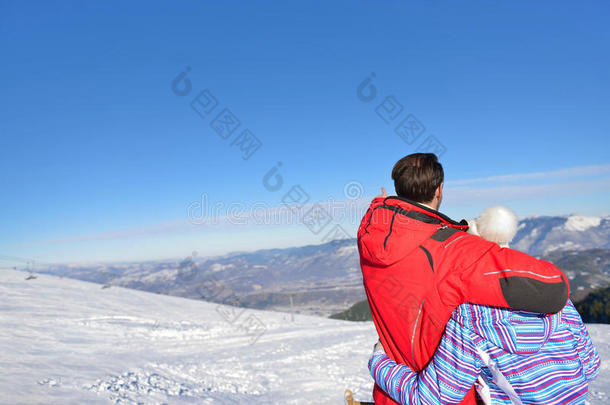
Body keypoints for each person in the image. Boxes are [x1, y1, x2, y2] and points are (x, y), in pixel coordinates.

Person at [358, 153, 570, 405]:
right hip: (450, 396)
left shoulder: (370, 236)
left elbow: (399, 231)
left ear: (397, 190)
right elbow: (554, 287)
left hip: (391, 392)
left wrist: (386, 206)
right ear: (440, 189)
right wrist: (481, 247)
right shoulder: (456, 252)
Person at [368, 206, 601, 404]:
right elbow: (590, 366)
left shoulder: (470, 319)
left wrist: (378, 361)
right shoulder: (557, 298)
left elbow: (432, 397)